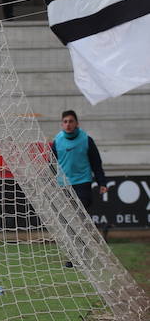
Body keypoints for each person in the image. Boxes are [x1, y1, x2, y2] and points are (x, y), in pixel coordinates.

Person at [51, 110, 108, 263]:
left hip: (83, 183)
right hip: (64, 185)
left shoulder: (86, 140)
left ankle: (83, 251)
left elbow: (96, 163)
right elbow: (50, 164)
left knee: (78, 218)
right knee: (68, 222)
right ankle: (74, 255)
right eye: (65, 121)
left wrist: (102, 182)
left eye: (71, 121)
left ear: (77, 123)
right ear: (62, 124)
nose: (68, 124)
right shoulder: (57, 141)